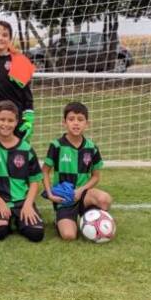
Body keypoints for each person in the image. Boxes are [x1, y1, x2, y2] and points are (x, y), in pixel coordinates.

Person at [0, 100, 44, 242]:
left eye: (10, 120)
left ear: (17, 122)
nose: (6, 124)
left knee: (36, 235)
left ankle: (18, 219)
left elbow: (35, 182)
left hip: (21, 201)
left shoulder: (26, 149)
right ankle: (9, 220)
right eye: (2, 119)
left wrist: (28, 204)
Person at [43, 101, 113, 240]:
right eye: (71, 119)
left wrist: (81, 190)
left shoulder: (92, 147)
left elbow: (95, 177)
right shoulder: (56, 145)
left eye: (80, 120)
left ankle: (93, 219)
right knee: (69, 236)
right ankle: (61, 219)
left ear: (87, 124)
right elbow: (44, 171)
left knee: (105, 199)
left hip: (83, 194)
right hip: (65, 197)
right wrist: (50, 194)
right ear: (64, 122)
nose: (76, 123)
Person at [0, 20, 34, 142]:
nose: (0, 38)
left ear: (10, 39)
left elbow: (26, 91)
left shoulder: (19, 60)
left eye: (5, 35)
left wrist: (29, 115)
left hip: (15, 117)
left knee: (16, 155)